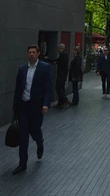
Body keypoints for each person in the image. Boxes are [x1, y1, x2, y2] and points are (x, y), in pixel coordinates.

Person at [12, 45, 52, 174]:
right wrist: (15, 107)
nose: (31, 54)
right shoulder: (22, 69)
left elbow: (48, 87)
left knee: (35, 130)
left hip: (37, 106)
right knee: (23, 136)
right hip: (23, 106)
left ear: (38, 54)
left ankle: (40, 143)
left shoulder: (44, 68)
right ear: (27, 54)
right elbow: (18, 88)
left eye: (34, 52)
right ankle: (22, 163)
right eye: (29, 52)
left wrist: (46, 104)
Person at [52, 43, 69, 108]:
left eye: (58, 48)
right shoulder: (64, 54)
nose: (58, 50)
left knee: (58, 88)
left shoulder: (63, 55)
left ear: (60, 48)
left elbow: (59, 61)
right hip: (63, 74)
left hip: (61, 74)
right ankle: (60, 103)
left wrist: (54, 61)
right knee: (61, 88)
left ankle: (65, 100)